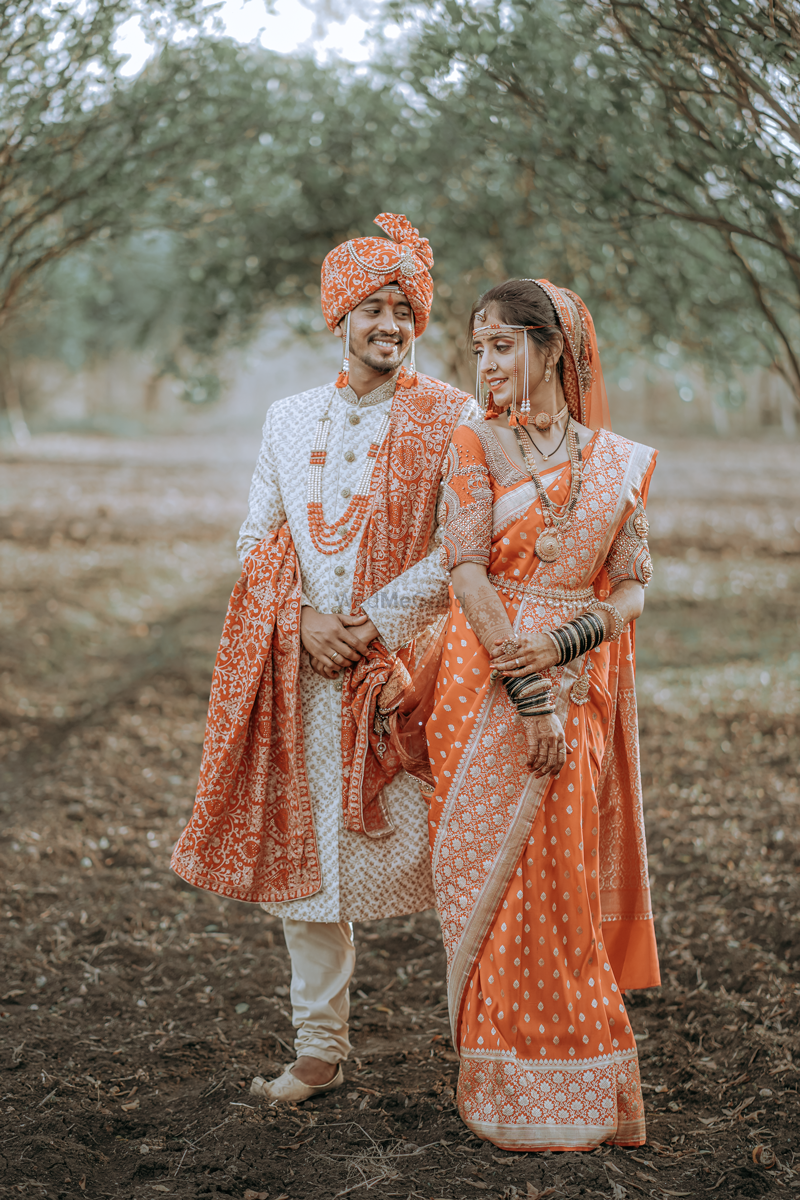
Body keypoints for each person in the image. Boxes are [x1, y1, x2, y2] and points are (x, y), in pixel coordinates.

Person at [170, 212, 476, 1103]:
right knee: (312, 876)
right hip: (302, 674)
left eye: (404, 310)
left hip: (407, 680)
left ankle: (483, 1044)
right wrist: (303, 619)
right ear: (338, 316)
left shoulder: (450, 415)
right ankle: (319, 1050)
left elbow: (459, 549)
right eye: (373, 308)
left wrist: (371, 624)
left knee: (454, 857)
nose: (391, 325)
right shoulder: (288, 417)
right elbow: (257, 535)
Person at [422, 278, 660, 1150]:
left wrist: (564, 649)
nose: (485, 364)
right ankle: (497, 1078)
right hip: (480, 689)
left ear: (553, 349)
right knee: (483, 879)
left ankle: (579, 1085)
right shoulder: (474, 443)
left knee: (559, 883)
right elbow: (466, 571)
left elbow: (632, 585)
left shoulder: (615, 461)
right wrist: (525, 689)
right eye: (476, 348)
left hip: (576, 680)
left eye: (502, 346)